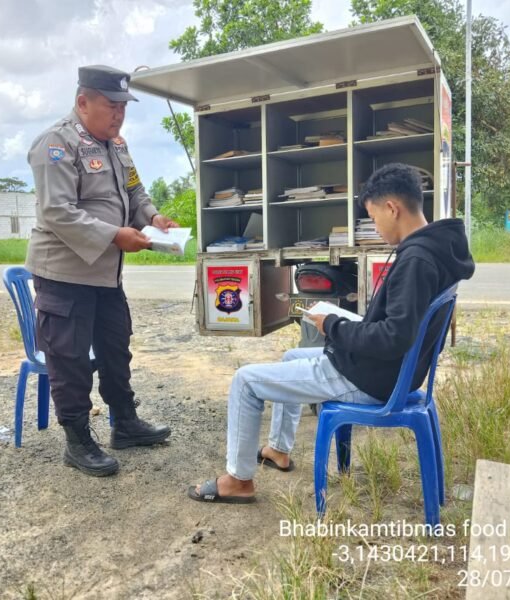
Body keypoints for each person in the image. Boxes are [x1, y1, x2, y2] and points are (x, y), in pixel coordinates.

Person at [188, 163, 475, 503]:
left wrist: (334, 326)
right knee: (291, 356)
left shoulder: (416, 260)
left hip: (368, 377)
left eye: (373, 217)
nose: (375, 227)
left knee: (245, 381)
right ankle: (278, 449)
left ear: (392, 208)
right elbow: (400, 331)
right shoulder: (440, 248)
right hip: (392, 372)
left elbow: (393, 337)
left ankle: (238, 480)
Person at [26, 65, 177, 477]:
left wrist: (154, 216)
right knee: (70, 357)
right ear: (82, 102)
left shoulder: (117, 145)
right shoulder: (56, 145)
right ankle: (77, 440)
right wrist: (115, 235)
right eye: (111, 106)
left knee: (116, 348)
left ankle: (125, 424)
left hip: (105, 276)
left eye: (122, 108)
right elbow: (58, 210)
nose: (118, 115)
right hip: (65, 273)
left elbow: (134, 191)